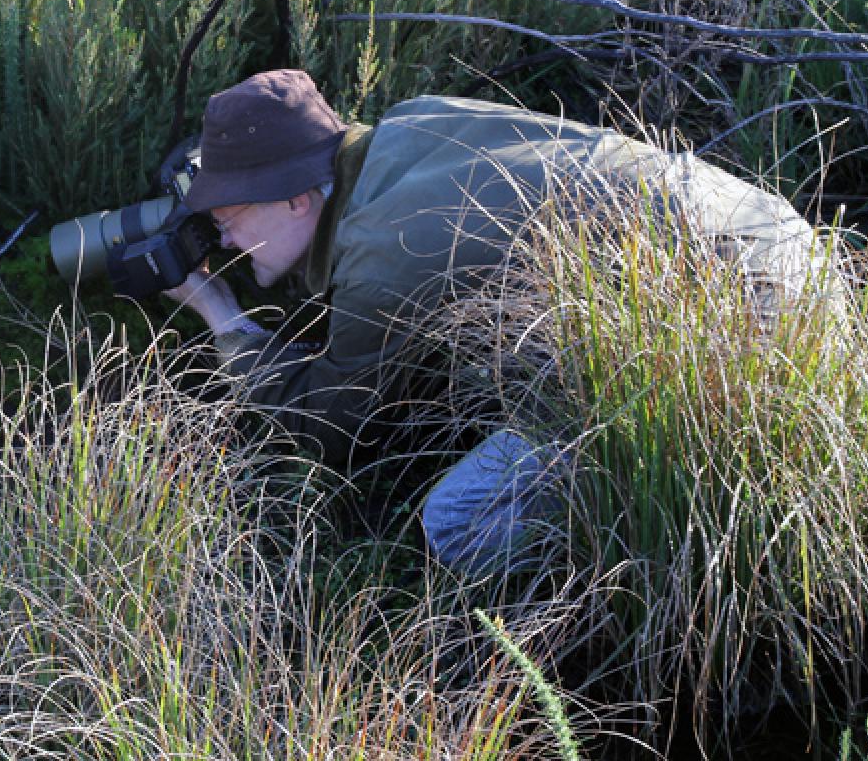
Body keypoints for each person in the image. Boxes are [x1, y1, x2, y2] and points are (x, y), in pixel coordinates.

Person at [163, 69, 832, 574]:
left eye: (229, 212)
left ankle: (628, 591)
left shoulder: (383, 254)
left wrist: (219, 313)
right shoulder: (412, 126)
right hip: (779, 240)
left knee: (458, 521)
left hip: (737, 317)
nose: (219, 236)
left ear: (296, 199)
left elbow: (321, 425)